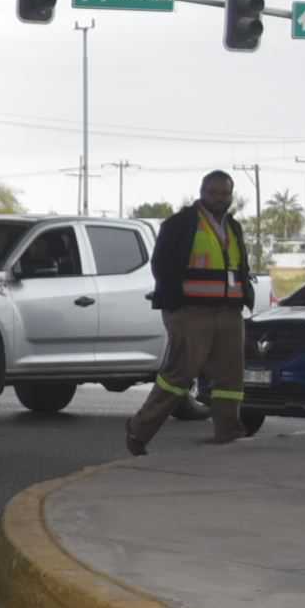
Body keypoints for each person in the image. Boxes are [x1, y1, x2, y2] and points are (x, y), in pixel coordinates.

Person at [128, 170, 255, 453]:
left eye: (225, 193)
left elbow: (240, 266)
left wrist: (245, 293)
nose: (220, 198)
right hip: (190, 312)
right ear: (201, 192)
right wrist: (175, 302)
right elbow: (161, 265)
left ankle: (228, 434)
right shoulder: (181, 224)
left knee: (230, 379)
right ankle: (140, 430)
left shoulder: (233, 226)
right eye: (213, 192)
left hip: (229, 312)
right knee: (179, 375)